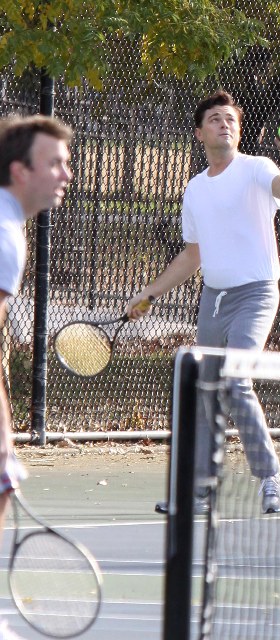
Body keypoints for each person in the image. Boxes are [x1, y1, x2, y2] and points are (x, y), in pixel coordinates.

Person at [127, 90, 280, 514]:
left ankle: (271, 478)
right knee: (206, 391)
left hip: (257, 293)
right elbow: (192, 256)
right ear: (199, 133)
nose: (225, 124)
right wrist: (149, 293)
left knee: (236, 381)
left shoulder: (257, 168)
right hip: (213, 300)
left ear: (238, 132)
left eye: (231, 119)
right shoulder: (195, 190)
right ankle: (200, 492)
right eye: (215, 119)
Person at [0, 114, 73, 639]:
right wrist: (3, 429)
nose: (66, 174)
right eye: (55, 163)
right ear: (20, 171)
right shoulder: (6, 236)